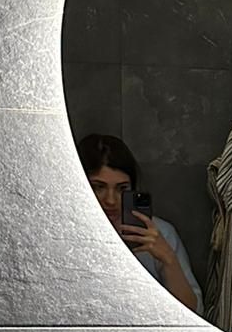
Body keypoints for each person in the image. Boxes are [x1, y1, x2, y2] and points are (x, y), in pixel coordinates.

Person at [77, 133, 202, 313]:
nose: (110, 200)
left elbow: (194, 313)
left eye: (122, 189)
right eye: (98, 187)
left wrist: (168, 259)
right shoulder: (63, 233)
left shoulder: (158, 233)